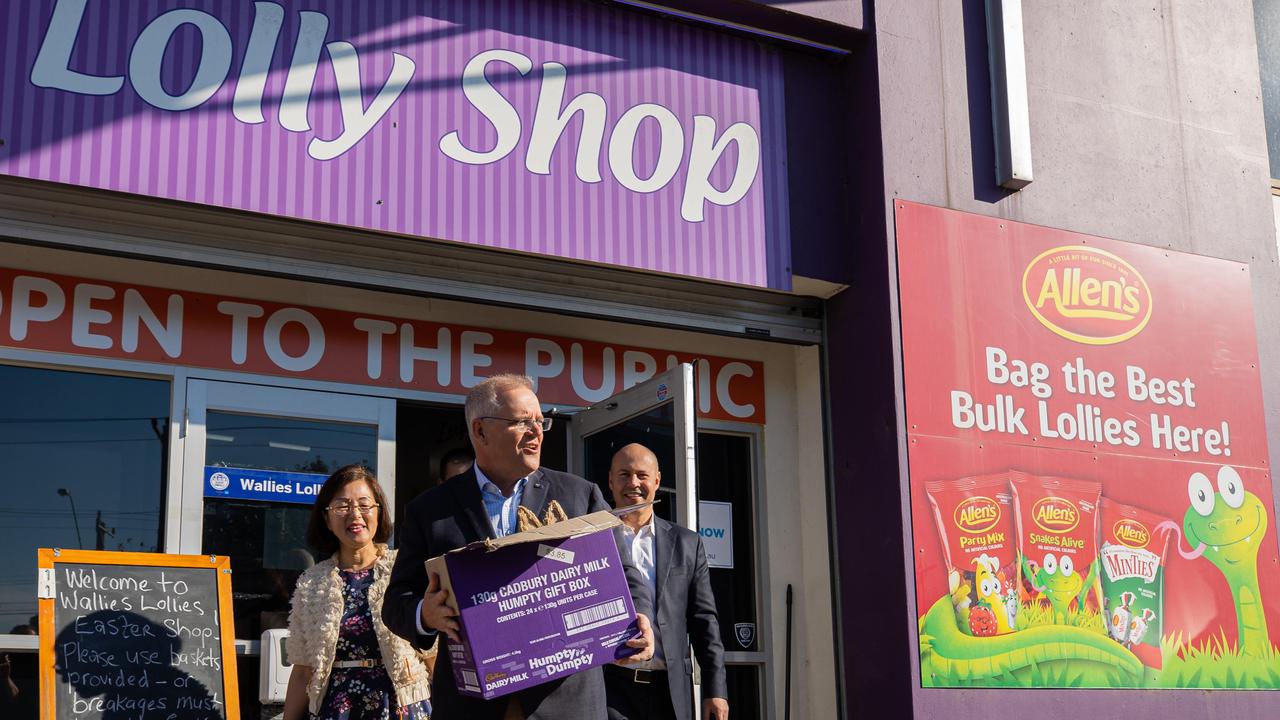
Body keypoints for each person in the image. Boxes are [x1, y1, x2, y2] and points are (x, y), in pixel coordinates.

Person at [383, 373, 656, 720]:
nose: (537, 431)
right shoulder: (430, 510)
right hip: (472, 707)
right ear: (480, 431)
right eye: (522, 422)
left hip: (567, 705)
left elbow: (626, 573)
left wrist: (641, 617)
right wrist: (426, 613)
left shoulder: (579, 495)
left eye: (541, 421)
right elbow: (396, 603)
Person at [284, 465, 433, 720]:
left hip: (402, 706)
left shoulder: (406, 570)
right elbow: (302, 670)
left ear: (379, 512)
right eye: (342, 506)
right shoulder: (311, 583)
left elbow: (433, 656)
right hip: (336, 708)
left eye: (365, 505)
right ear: (327, 518)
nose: (355, 514)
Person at [606, 444, 728, 720]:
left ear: (657, 480)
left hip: (670, 692)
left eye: (642, 475)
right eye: (624, 474)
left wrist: (715, 689)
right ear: (610, 480)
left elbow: (704, 620)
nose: (633, 483)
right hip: (609, 688)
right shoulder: (592, 540)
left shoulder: (687, 543)